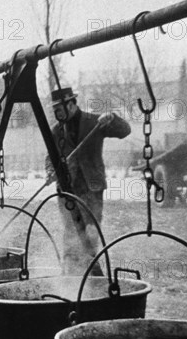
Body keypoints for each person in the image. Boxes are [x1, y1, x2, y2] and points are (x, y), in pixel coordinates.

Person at [45, 87, 131, 275]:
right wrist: (51, 171)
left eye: (59, 109)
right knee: (70, 231)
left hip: (91, 187)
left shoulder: (95, 122)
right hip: (67, 188)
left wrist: (112, 118)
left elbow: (125, 130)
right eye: (54, 110)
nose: (56, 113)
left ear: (71, 104)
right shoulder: (55, 130)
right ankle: (69, 275)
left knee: (91, 231)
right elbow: (50, 157)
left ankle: (92, 273)